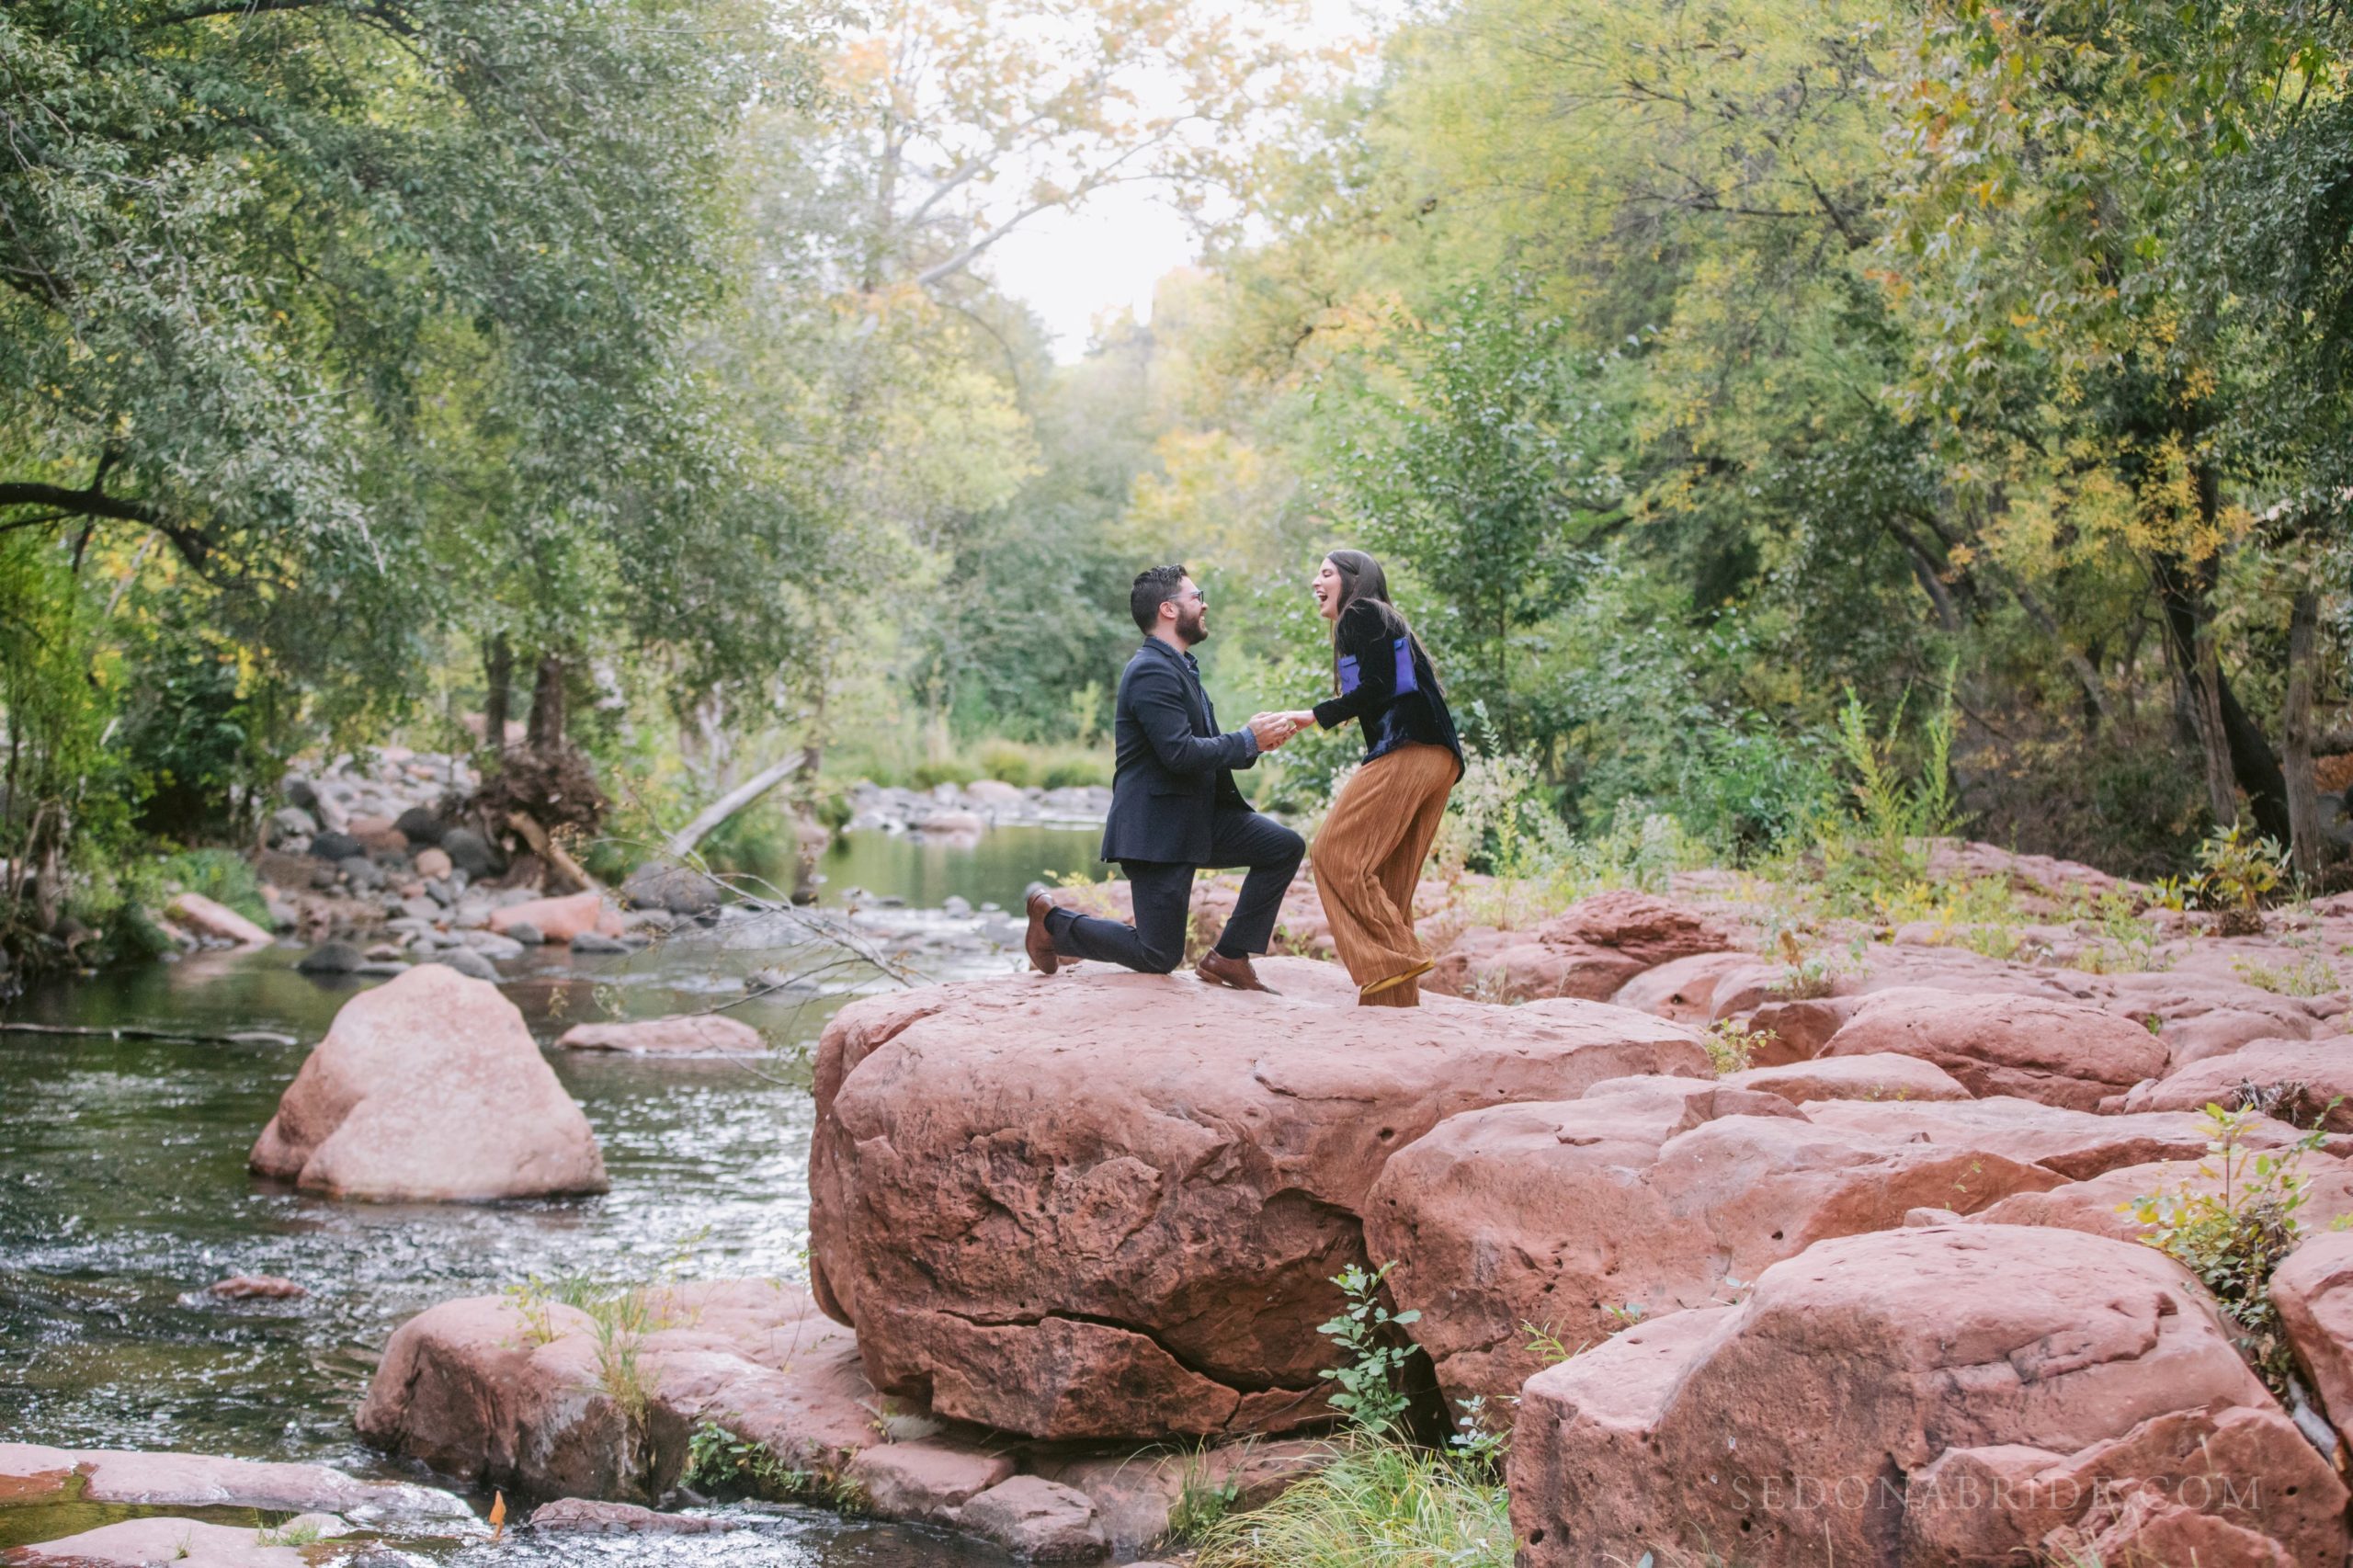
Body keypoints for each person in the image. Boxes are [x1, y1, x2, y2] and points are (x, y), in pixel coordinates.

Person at [1023, 564, 1306, 992]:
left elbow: (1200, 747)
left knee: (1283, 846)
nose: (1204, 603)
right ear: (1169, 609)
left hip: (1198, 819)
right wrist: (1246, 739)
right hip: (1157, 831)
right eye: (1198, 596)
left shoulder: (1180, 666)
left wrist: (1255, 743)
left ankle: (1229, 957)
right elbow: (1179, 754)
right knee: (1158, 955)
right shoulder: (1149, 670)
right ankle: (1053, 924)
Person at [1272, 549, 1462, 1006]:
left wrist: (1310, 716)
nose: (1316, 582)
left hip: (1408, 748)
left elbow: (1374, 687)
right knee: (1389, 885)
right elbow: (1387, 686)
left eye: (1326, 573)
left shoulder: (1359, 613)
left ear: (1353, 580)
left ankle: (1396, 957)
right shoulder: (1384, 617)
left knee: (1334, 853)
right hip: (1440, 758)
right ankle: (1392, 1007)